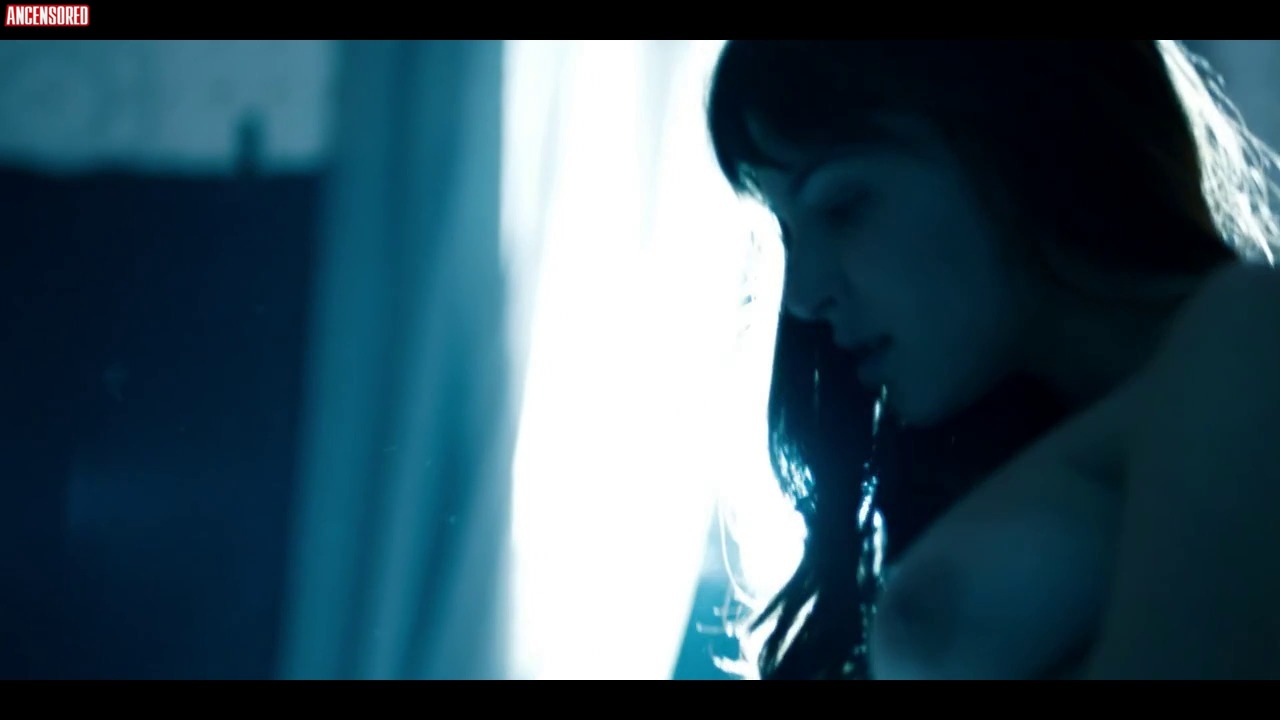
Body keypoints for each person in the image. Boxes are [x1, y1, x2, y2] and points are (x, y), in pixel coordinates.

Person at [705, 40, 1280, 680]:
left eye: (843, 206)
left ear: (1017, 131)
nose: (803, 295)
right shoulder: (988, 455)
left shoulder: (1249, 330)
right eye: (786, 232)